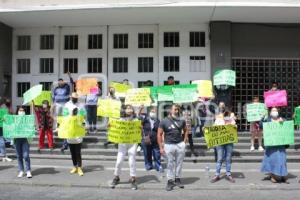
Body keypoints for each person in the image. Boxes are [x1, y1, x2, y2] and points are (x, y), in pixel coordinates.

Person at [157, 104, 188, 191]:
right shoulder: (164, 121)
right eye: (175, 109)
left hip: (179, 145)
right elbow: (159, 134)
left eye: (177, 110)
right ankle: (170, 181)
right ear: (170, 110)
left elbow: (186, 130)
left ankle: (177, 179)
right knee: (170, 164)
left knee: (179, 163)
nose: (176, 111)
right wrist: (161, 147)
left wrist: (184, 141)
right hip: (168, 145)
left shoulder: (182, 120)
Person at [110, 105, 140, 190]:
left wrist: (140, 128)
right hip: (122, 143)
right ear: (124, 110)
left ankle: (133, 179)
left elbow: (139, 130)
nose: (130, 110)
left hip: (132, 143)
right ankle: (116, 177)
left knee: (131, 161)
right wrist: (110, 126)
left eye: (131, 108)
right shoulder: (120, 120)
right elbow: (113, 127)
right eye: (128, 108)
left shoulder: (136, 120)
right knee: (119, 161)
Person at [260, 107, 289, 184]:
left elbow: (287, 127)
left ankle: (284, 175)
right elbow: (260, 125)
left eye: (276, 110)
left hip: (280, 144)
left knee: (282, 159)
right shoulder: (267, 119)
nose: (274, 112)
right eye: (273, 110)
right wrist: (262, 117)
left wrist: (283, 122)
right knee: (272, 159)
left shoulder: (282, 119)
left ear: (278, 112)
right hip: (271, 144)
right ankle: (272, 175)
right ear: (270, 112)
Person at [210, 109, 236, 183]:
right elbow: (213, 128)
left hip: (229, 142)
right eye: (225, 114)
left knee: (228, 158)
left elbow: (234, 128)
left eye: (227, 114)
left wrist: (231, 122)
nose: (226, 115)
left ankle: (228, 174)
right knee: (220, 158)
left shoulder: (231, 120)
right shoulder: (218, 119)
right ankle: (217, 174)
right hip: (220, 142)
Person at [139, 106, 162, 172]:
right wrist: (141, 108)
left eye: (154, 112)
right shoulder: (145, 119)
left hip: (155, 140)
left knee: (157, 154)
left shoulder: (157, 120)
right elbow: (138, 117)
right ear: (149, 112)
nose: (153, 113)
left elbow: (160, 130)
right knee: (147, 153)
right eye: (152, 111)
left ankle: (158, 166)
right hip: (146, 140)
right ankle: (148, 165)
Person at [66, 108, 84, 176]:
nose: (74, 113)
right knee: (73, 154)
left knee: (78, 154)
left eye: (76, 111)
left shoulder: (80, 118)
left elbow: (84, 125)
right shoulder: (68, 119)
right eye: (74, 111)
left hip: (78, 140)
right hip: (70, 140)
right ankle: (75, 167)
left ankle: (79, 168)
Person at [14, 107, 32, 178]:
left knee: (26, 155)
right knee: (19, 156)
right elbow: (10, 126)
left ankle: (28, 171)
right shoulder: (14, 119)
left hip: (25, 139)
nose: (21, 111)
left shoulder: (27, 119)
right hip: (17, 139)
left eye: (23, 110)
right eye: (20, 110)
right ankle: (21, 170)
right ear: (17, 111)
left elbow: (30, 128)